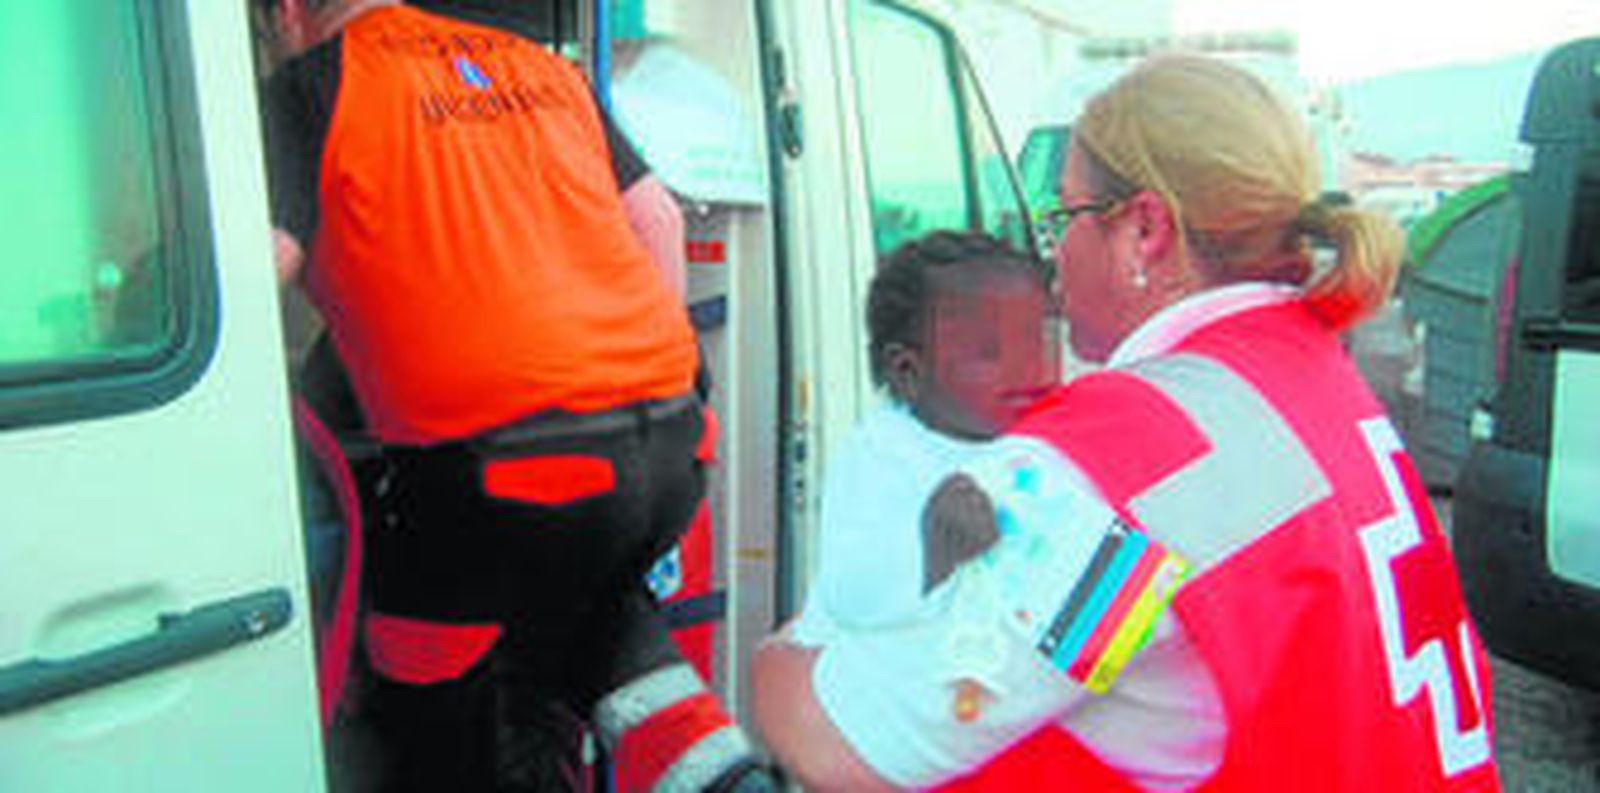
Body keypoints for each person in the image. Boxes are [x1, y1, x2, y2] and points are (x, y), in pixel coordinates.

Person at [751, 53, 1501, 791]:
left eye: (1066, 216)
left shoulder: (1113, 473)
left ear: (1145, 230)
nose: (1053, 255)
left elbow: (852, 749)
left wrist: (781, 657)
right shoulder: (1315, 375)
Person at [255, 1, 770, 790]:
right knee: (588, 607)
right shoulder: (540, 66)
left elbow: (265, 264)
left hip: (506, 472)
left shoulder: (308, 88)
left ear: (286, 12)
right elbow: (657, 220)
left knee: (424, 676)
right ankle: (724, 778)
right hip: (669, 445)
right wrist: (660, 385)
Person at [795, 231, 1056, 641]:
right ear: (907, 372)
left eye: (1036, 342)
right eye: (988, 351)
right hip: (863, 683)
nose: (1028, 367)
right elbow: (847, 592)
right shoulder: (883, 453)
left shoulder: (1042, 439)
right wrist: (932, 551)